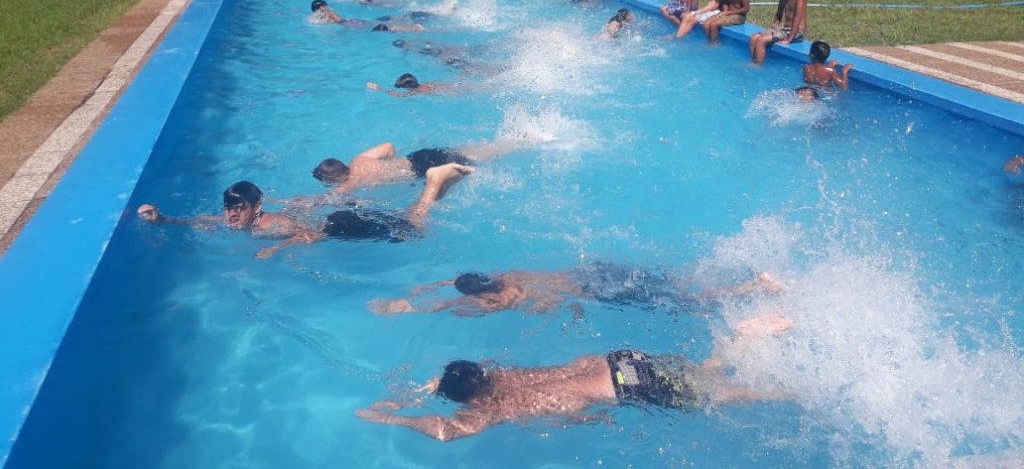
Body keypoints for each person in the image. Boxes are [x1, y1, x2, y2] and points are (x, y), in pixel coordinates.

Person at [356, 314, 792, 441]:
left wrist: (392, 419)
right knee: (699, 376)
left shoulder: (489, 410)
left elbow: (446, 432)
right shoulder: (503, 376)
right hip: (618, 359)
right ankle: (739, 343)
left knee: (732, 395)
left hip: (625, 387)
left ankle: (794, 389)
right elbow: (464, 374)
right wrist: (432, 383)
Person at [137, 163, 473, 258]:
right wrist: (164, 219)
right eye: (227, 209)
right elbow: (203, 221)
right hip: (337, 218)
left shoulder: (273, 224)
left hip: (342, 224)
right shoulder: (237, 221)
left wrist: (278, 247)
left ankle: (434, 182)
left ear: (257, 207)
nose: (230, 216)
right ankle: (443, 183)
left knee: (414, 229)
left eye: (238, 209)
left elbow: (310, 233)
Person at [368, 264, 780, 317]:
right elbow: (461, 283)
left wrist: (424, 306)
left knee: (690, 304)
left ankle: (753, 287)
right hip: (598, 269)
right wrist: (433, 285)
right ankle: (750, 278)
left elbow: (475, 309)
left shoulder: (507, 296)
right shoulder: (508, 274)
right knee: (676, 284)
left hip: (602, 291)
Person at [312, 137, 516, 195]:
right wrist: (392, 163)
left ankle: (518, 145)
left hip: (420, 170)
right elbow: (389, 145)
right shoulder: (359, 160)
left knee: (477, 161)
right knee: (472, 152)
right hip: (419, 156)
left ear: (335, 178)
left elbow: (334, 198)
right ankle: (513, 140)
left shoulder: (355, 180)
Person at [749, 0, 808, 65]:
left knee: (761, 40)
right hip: (785, 30)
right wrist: (773, 27)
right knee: (753, 37)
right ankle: (753, 61)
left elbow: (798, 17)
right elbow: (779, 13)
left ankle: (758, 66)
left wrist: (789, 39)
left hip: (796, 32)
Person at [365, 73, 457, 96]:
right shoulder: (425, 85)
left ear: (407, 87)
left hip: (454, 92)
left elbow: (400, 95)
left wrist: (380, 89)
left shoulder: (419, 90)